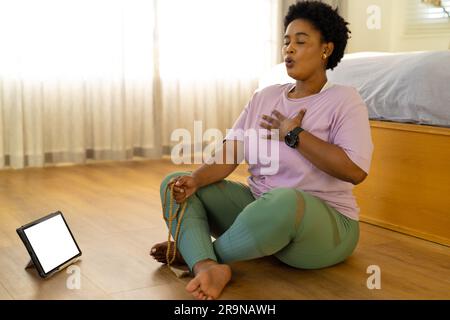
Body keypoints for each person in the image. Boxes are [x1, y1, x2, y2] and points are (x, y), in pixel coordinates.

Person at [150, 1, 373, 300]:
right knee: (174, 182)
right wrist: (196, 179)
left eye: (300, 41)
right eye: (286, 42)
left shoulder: (345, 100)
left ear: (326, 49)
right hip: (260, 212)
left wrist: (293, 134)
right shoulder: (264, 97)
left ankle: (197, 253)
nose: (289, 49)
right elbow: (230, 154)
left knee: (282, 201)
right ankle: (206, 267)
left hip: (324, 228)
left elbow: (354, 171)